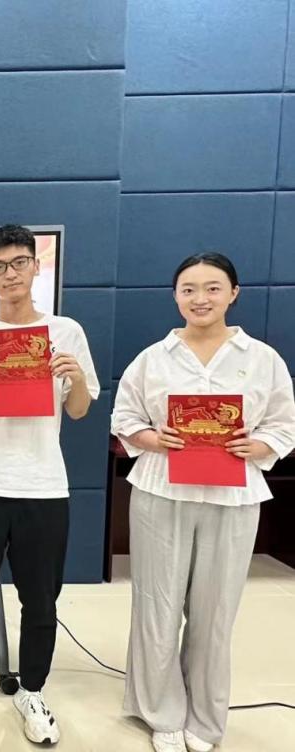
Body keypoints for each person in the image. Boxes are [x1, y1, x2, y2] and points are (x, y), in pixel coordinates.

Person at [111, 253, 295, 752]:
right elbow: (124, 418)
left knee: (215, 612)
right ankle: (161, 711)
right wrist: (153, 438)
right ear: (175, 296)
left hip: (233, 496)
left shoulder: (263, 359)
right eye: (188, 289)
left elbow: (283, 424)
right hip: (161, 492)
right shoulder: (153, 359)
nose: (200, 299)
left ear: (233, 293)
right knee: (157, 606)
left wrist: (259, 445)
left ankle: (207, 717)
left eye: (213, 288)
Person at [0, 224, 99, 744]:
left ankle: (32, 689)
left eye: (19, 263)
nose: (9, 274)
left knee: (41, 599)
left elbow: (79, 410)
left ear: (36, 266)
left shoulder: (65, 331)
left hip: (43, 485)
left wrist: (76, 377)